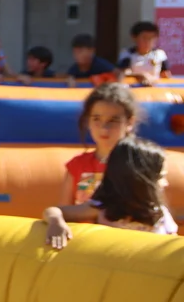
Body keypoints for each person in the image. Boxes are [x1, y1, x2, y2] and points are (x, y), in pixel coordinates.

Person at [44, 137, 177, 249]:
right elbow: (54, 210)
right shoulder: (103, 209)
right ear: (140, 180)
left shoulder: (159, 213)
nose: (165, 183)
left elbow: (172, 244)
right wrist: (56, 222)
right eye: (161, 177)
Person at [59, 83, 137, 205]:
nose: (104, 128)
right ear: (88, 121)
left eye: (113, 120)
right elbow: (64, 209)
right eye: (96, 119)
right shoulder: (78, 165)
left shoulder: (139, 165)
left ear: (129, 123)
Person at [118, 21, 171, 86]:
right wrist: (141, 75)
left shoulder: (160, 54)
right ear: (134, 37)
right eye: (144, 37)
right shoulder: (127, 54)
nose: (148, 41)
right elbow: (124, 72)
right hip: (133, 88)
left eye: (152, 38)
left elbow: (165, 74)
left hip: (154, 88)